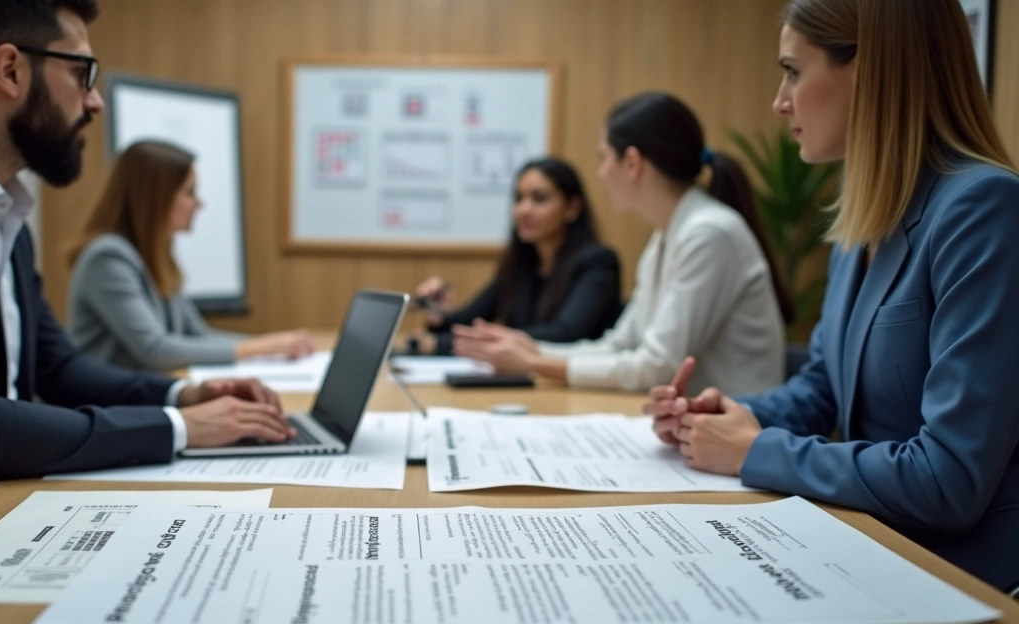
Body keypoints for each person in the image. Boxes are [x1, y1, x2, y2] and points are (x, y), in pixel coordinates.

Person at [0, 0, 297, 567]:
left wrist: (181, 395)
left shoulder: (1, 208)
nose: (95, 101)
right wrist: (179, 427)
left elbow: (60, 369)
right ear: (10, 70)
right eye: (81, 72)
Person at [645, 0, 1019, 593]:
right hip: (867, 547)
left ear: (871, 73)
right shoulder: (867, 211)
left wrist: (756, 451)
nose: (780, 100)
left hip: (962, 580)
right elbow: (824, 388)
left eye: (793, 70)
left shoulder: (983, 208)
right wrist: (726, 419)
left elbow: (947, 480)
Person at [454, 92, 794, 395]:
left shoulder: (709, 234)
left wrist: (535, 363)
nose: (600, 173)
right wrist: (533, 348)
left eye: (604, 157)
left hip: (734, 437)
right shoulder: (669, 234)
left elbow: (657, 367)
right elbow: (621, 344)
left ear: (632, 163)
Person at [66, 140, 313, 371]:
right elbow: (156, 350)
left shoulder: (156, 254)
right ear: (156, 198)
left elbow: (196, 333)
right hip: (105, 408)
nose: (199, 203)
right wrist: (260, 347)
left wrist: (273, 347)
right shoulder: (108, 258)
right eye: (190, 192)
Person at [412, 157, 622, 355]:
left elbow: (564, 334)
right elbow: (466, 325)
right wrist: (441, 314)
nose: (524, 209)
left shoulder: (598, 263)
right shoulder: (520, 264)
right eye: (519, 198)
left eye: (539, 199)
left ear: (572, 207)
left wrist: (442, 344)